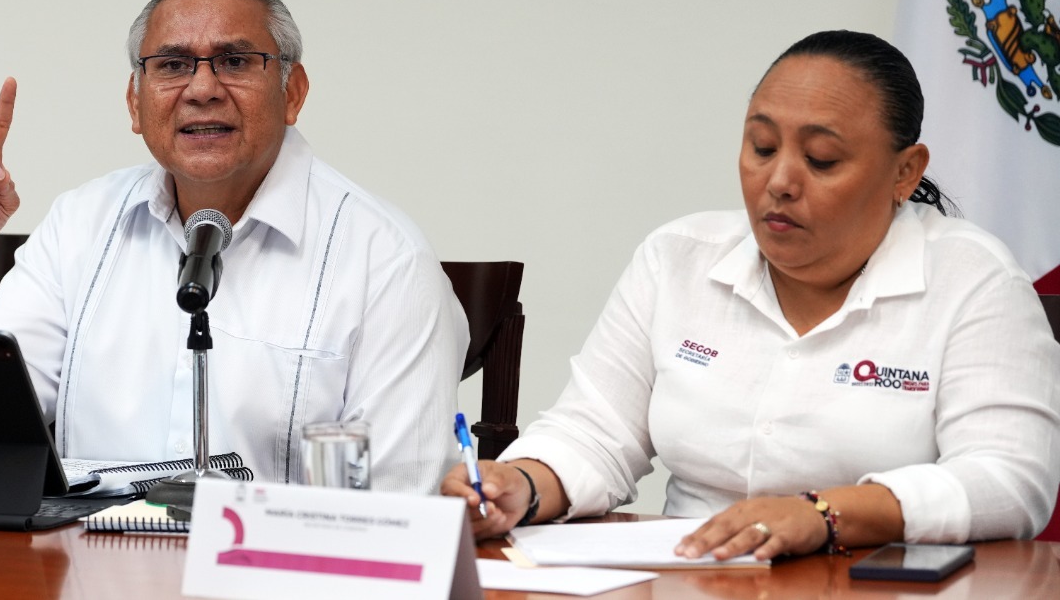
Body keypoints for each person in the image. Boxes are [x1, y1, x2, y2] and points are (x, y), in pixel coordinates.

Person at [444, 30, 1060, 556]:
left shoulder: (973, 281)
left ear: (905, 171)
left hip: (880, 583)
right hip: (692, 574)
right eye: (762, 147)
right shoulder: (677, 258)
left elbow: (1009, 479)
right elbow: (594, 431)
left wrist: (825, 514)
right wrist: (520, 484)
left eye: (821, 159)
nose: (779, 181)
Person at [0, 0, 467, 492]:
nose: (202, 89)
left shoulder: (385, 259)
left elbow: (399, 505)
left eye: (235, 61)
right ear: (135, 103)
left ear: (293, 92)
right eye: (173, 65)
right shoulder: (78, 226)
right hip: (89, 555)